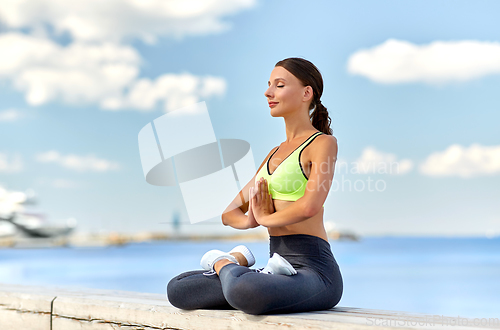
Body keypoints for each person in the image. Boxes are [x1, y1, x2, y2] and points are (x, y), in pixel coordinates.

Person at [167, 57, 343, 315]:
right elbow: (229, 213)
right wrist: (250, 220)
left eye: (279, 85)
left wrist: (264, 216)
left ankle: (225, 263)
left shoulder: (323, 143)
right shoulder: (273, 154)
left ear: (307, 93)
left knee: (246, 291)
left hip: (315, 272)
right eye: (269, 85)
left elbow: (309, 206)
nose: (268, 92)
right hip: (276, 266)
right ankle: (237, 262)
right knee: (179, 289)